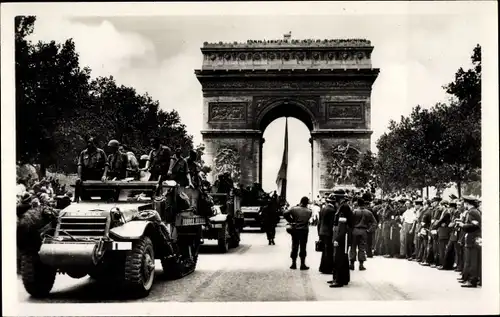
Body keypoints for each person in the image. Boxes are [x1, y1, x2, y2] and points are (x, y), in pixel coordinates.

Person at [329, 189, 353, 288]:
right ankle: (341, 278)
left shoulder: (343, 207)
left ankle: (339, 280)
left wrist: (337, 239)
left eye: (335, 196)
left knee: (339, 257)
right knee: (342, 257)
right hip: (342, 235)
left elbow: (343, 225)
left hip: (342, 236)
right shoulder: (342, 206)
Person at [283, 196, 312, 270]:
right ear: (307, 203)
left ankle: (293, 263)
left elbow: (285, 213)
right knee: (303, 247)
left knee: (294, 246)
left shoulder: (294, 209)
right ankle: (302, 264)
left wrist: (291, 220)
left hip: (295, 230)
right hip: (304, 231)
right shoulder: (309, 211)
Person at [458, 196, 481, 288]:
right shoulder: (473, 211)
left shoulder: (472, 212)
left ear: (467, 203)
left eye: (464, 203)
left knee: (472, 260)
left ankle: (472, 280)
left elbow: (475, 225)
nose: (464, 205)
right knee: (470, 260)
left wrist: (463, 225)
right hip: (472, 237)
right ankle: (469, 278)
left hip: (472, 238)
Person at [349, 197, 377, 271]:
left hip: (355, 230)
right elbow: (374, 223)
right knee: (362, 248)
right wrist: (369, 230)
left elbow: (350, 222)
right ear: (364, 204)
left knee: (353, 247)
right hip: (364, 231)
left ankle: (352, 263)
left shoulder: (354, 211)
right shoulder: (368, 212)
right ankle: (361, 265)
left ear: (358, 204)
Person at [317, 194, 336, 274]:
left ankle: (323, 267)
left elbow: (319, 222)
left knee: (325, 250)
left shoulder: (323, 209)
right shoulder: (332, 210)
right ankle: (328, 268)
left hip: (322, 231)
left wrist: (319, 233)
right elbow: (331, 223)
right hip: (328, 232)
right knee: (329, 250)